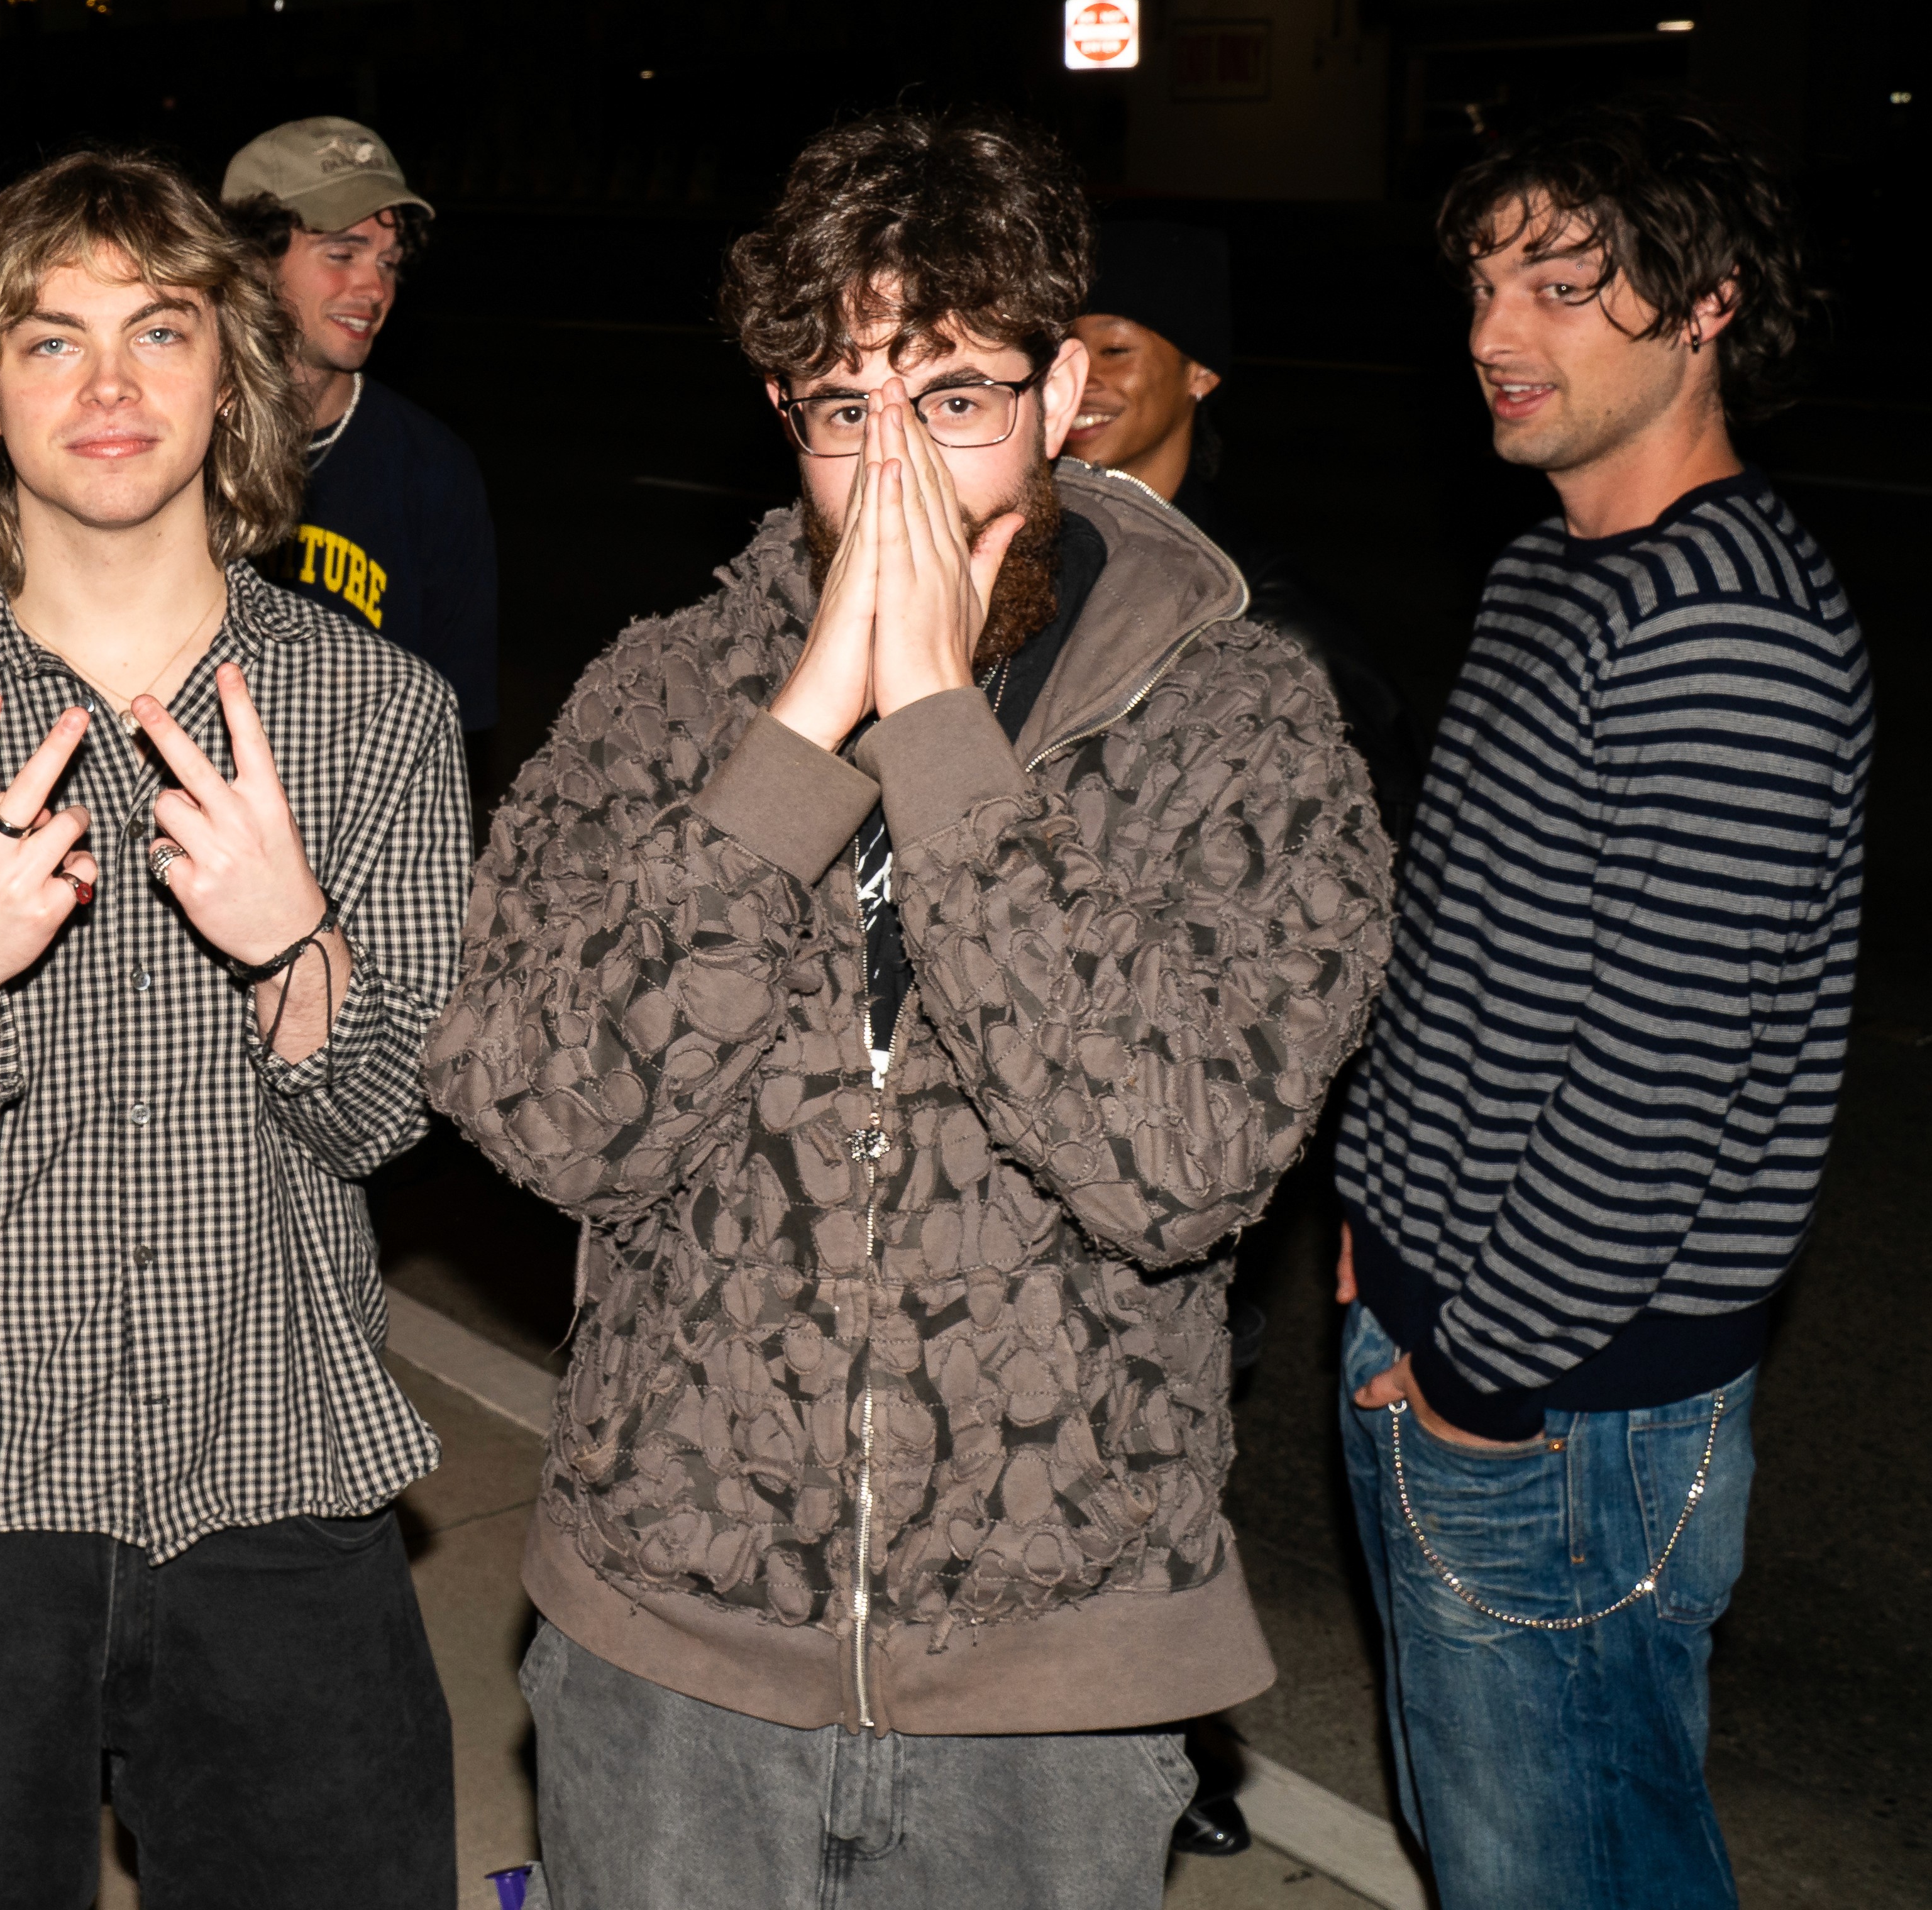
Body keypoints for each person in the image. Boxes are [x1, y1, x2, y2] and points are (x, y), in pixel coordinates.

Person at [426, 107, 1393, 1910]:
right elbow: (551, 1116)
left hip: (1051, 1678)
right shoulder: (662, 695)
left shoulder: (1242, 721)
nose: (894, 476)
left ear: (1060, 395)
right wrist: (800, 734)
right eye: (841, 409)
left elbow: (1179, 1167)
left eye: (950, 398)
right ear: (779, 417)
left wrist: (941, 729)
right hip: (671, 1650)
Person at [0, 150, 470, 1910]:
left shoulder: (377, 710)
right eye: (50, 341)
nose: (107, 385)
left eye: (159, 332)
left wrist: (291, 942)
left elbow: (387, 1121)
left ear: (231, 378)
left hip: (281, 1454)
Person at [1328, 107, 1867, 1910]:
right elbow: (1462, 953)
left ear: (1710, 306)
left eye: (1565, 288)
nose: (1498, 333)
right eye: (1486, 284)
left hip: (1563, 1403)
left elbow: (1654, 1086)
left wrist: (1484, 1372)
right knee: (1503, 1858)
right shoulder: (1551, 568)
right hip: (1458, 1323)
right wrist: (1381, 1218)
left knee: (1571, 1878)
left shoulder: (1723, 628)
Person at [1067, 219, 1408, 821]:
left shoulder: (1264, 617)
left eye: (1114, 351)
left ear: (1200, 372)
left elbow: (1379, 819)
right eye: (1060, 353)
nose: (1078, 381)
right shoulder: (1023, 566)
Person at [218, 116, 499, 749]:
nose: (375, 288)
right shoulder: (171, 447)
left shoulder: (435, 471)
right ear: (252, 261)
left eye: (389, 262)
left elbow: (456, 726)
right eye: (342, 254)